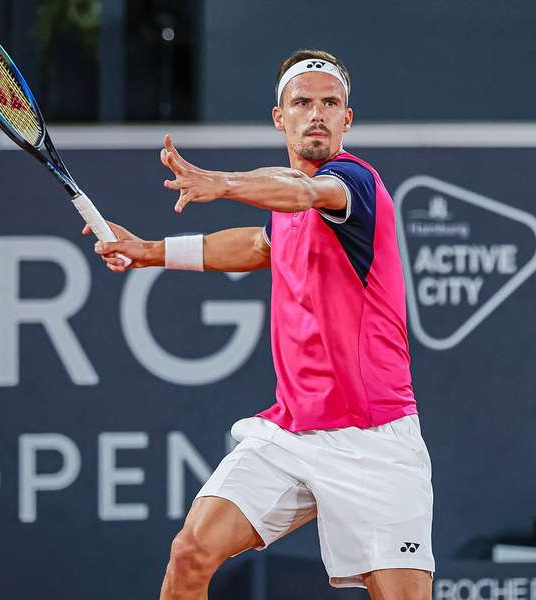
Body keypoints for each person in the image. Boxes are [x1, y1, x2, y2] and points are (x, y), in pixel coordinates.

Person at [89, 49, 434, 600]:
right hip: (292, 432)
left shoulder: (354, 184)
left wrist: (222, 183)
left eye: (330, 103)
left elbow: (303, 192)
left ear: (348, 118)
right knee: (190, 554)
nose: (316, 114)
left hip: (374, 440)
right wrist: (149, 251)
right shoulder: (283, 200)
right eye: (302, 103)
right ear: (280, 117)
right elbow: (257, 244)